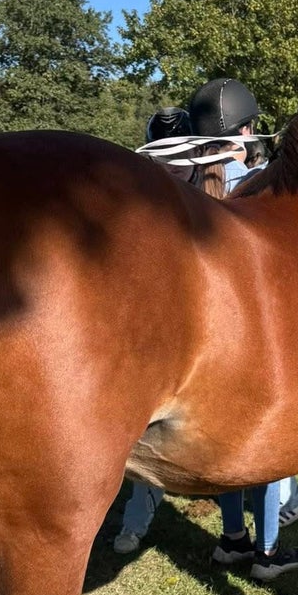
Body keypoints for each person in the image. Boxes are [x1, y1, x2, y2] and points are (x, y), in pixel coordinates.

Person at [187, 77, 298, 580]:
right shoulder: (259, 181)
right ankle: (267, 553)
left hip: (205, 332)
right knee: (265, 450)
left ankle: (233, 539)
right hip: (253, 328)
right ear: (248, 128)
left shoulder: (186, 179)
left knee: (227, 443)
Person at [114, 106, 192, 554]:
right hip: (152, 331)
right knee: (140, 424)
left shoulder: (217, 196)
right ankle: (135, 520)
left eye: (178, 157)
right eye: (163, 158)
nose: (171, 166)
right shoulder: (139, 204)